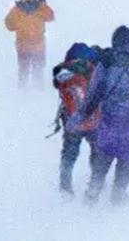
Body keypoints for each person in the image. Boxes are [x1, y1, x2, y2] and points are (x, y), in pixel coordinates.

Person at [68, 26, 129, 205]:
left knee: (104, 154)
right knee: (125, 156)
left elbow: (94, 94)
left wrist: (81, 116)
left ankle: (93, 192)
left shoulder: (106, 63)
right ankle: (118, 195)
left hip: (109, 119)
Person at [50, 43, 102, 199]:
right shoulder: (94, 71)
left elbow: (56, 85)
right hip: (94, 121)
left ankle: (65, 187)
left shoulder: (61, 72)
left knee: (69, 155)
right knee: (97, 153)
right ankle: (95, 184)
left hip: (71, 123)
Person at [4, 0, 54, 88]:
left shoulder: (16, 9)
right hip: (39, 45)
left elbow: (9, 25)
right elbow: (51, 17)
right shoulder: (40, 6)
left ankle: (23, 94)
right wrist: (43, 3)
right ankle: (38, 92)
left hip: (22, 46)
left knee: (23, 71)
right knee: (38, 71)